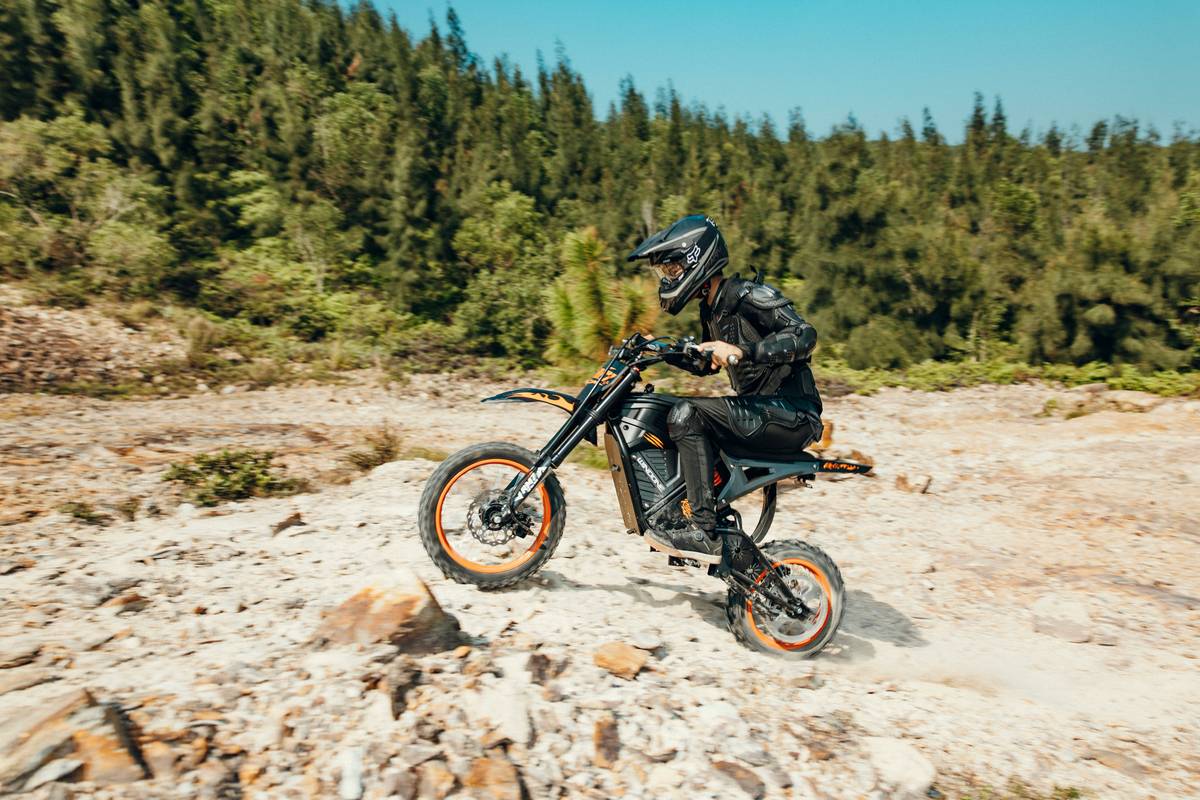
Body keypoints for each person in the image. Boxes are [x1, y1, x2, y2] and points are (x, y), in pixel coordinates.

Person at [626, 215, 823, 563]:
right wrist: (659, 349)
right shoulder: (713, 309)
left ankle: (704, 529)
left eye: (672, 270)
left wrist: (747, 352)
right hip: (761, 411)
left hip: (791, 413)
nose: (669, 279)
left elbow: (804, 335)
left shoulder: (749, 295)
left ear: (695, 260)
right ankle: (681, 515)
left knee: (687, 414)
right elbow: (707, 363)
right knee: (671, 412)